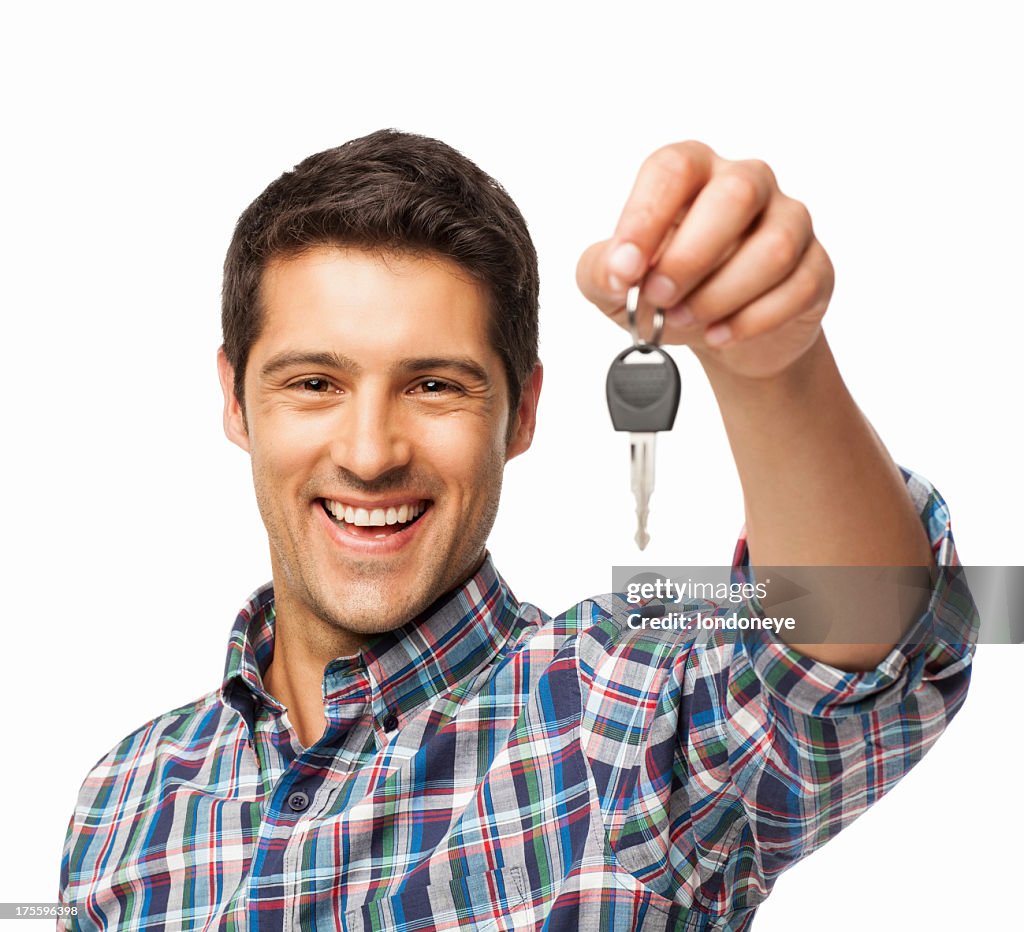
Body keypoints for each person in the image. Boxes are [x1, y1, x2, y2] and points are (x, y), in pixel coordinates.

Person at [58, 130, 975, 931]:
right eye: (314, 384)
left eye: (434, 385)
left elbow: (870, 639)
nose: (371, 452)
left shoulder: (618, 719)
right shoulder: (123, 801)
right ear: (234, 399)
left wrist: (775, 367)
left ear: (524, 412)